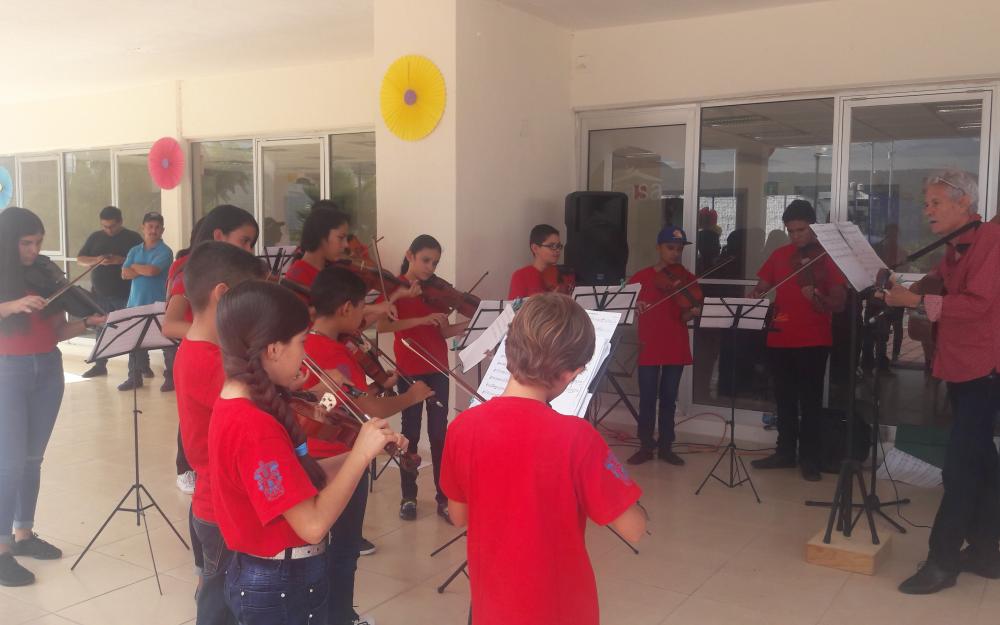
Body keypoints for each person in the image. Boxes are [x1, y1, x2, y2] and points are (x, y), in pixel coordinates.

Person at [440, 293, 646, 625]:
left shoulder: (462, 427)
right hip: (561, 611)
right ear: (571, 373)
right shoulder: (578, 437)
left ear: (509, 349)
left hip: (492, 609)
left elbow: (458, 516)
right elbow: (633, 528)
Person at [210, 280, 405, 625]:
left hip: (273, 578)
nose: (305, 355)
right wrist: (359, 456)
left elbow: (297, 481)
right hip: (279, 585)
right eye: (301, 342)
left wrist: (365, 452)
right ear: (273, 349)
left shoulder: (236, 405)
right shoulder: (255, 427)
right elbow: (312, 525)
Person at [879, 170, 1000, 595]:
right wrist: (902, 288)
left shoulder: (992, 240)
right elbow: (940, 280)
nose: (926, 210)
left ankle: (942, 563)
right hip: (962, 365)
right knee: (983, 460)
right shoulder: (956, 244)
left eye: (935, 202)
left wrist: (915, 300)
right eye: (925, 202)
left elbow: (977, 304)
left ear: (964, 202)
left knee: (961, 467)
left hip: (985, 368)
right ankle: (987, 552)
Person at [305, 265, 435, 625]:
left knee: (323, 548)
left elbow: (337, 401)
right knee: (345, 547)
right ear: (346, 308)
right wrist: (410, 397)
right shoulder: (334, 353)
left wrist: (378, 386)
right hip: (343, 458)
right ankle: (341, 616)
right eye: (363, 308)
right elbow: (367, 408)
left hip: (315, 454)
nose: (364, 317)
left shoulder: (310, 343)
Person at [0, 207, 106, 587]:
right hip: (7, 370)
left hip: (48, 368)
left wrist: (86, 323)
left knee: (32, 459)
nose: (34, 251)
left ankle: (23, 533)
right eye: (26, 243)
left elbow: (59, 332)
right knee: (9, 462)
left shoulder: (45, 275)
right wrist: (12, 305)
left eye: (38, 242)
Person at [173, 241, 265, 625]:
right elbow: (259, 420)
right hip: (223, 503)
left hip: (214, 498)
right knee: (221, 603)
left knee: (220, 592)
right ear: (223, 295)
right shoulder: (212, 363)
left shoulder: (199, 349)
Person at [165, 205, 260, 497]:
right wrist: (212, 336)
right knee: (200, 425)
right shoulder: (190, 269)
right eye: (245, 241)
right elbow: (170, 324)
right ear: (219, 235)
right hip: (203, 352)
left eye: (252, 244)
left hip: (217, 349)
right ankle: (188, 469)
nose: (249, 249)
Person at [748, 200, 846, 482]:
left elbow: (839, 303)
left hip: (813, 339)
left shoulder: (826, 258)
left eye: (801, 230)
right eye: (790, 231)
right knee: (784, 399)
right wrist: (755, 294)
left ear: (813, 227)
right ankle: (785, 452)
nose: (795, 236)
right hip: (780, 336)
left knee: (810, 401)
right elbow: (763, 285)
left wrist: (818, 297)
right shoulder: (780, 255)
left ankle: (810, 458)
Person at [377, 235, 468, 523]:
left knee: (440, 435)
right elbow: (382, 325)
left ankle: (443, 498)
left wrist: (468, 325)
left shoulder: (434, 293)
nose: (430, 267)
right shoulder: (395, 289)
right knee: (411, 435)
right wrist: (419, 320)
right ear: (410, 256)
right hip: (410, 370)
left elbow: (442, 333)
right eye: (426, 260)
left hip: (438, 368)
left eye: (435, 263)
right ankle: (408, 497)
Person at [626, 226, 701, 465]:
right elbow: (626, 306)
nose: (675, 253)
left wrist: (693, 312)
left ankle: (667, 446)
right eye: (670, 248)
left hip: (675, 344)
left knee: (669, 398)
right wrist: (635, 306)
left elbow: (685, 316)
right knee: (647, 397)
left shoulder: (687, 278)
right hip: (649, 344)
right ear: (658, 248)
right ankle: (646, 445)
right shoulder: (641, 277)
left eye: (679, 249)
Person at [75, 205, 142, 378]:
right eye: (105, 226)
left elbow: (142, 262)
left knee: (131, 331)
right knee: (101, 329)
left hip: (126, 294)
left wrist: (121, 260)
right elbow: (80, 259)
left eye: (112, 226)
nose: (108, 230)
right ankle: (100, 365)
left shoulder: (133, 238)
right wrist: (96, 260)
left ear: (120, 222)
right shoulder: (95, 237)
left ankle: (136, 370)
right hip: (100, 293)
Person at [119, 211, 174, 392]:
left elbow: (152, 271)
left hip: (159, 304)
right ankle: (134, 377)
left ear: (162, 230)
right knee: (134, 343)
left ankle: (171, 378)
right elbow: (124, 274)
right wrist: (139, 269)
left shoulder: (165, 251)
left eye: (157, 227)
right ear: (143, 228)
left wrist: (134, 266)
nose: (153, 230)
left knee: (167, 343)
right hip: (135, 303)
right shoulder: (134, 250)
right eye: (150, 226)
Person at [508, 224, 563, 299]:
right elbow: (516, 306)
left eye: (559, 246)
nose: (557, 250)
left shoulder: (558, 274)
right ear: (535, 248)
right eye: (551, 246)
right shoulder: (521, 276)